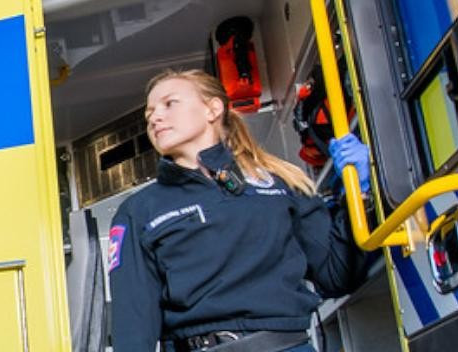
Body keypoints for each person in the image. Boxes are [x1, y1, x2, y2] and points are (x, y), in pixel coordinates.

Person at [108, 70, 371, 352]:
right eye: (149, 114)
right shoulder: (140, 210)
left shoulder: (280, 183)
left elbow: (337, 276)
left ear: (213, 109)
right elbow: (132, 327)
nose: (155, 118)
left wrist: (358, 197)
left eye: (169, 103)